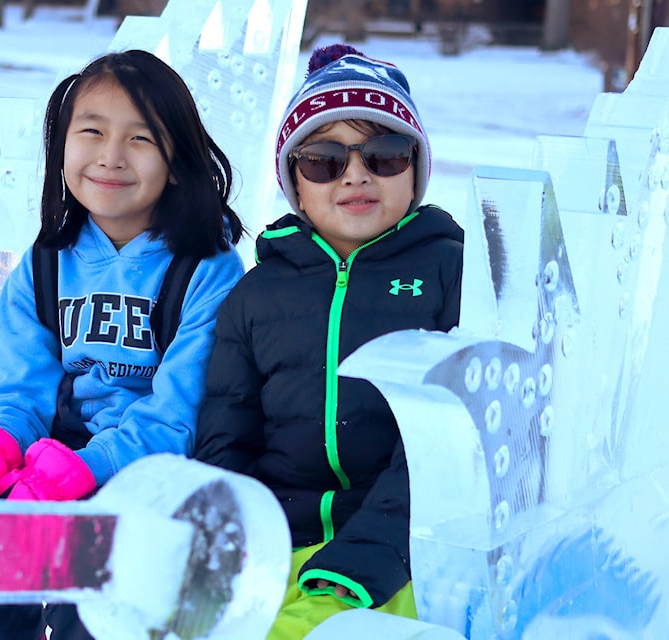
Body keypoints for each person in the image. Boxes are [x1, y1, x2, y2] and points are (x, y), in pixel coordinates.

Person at [0, 49, 246, 640]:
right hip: (51, 459)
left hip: (153, 476)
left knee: (93, 599)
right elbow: (17, 393)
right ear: (61, 147)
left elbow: (176, 421)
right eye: (91, 131)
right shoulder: (44, 266)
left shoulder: (209, 271)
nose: (111, 156)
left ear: (176, 162)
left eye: (141, 139)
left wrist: (79, 472)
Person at [195, 43, 464, 640]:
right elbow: (226, 438)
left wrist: (359, 564)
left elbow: (439, 448)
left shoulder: (454, 275)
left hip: (401, 553)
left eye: (386, 154)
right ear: (294, 178)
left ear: (416, 167)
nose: (356, 174)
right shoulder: (256, 293)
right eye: (323, 160)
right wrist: (224, 547)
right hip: (277, 544)